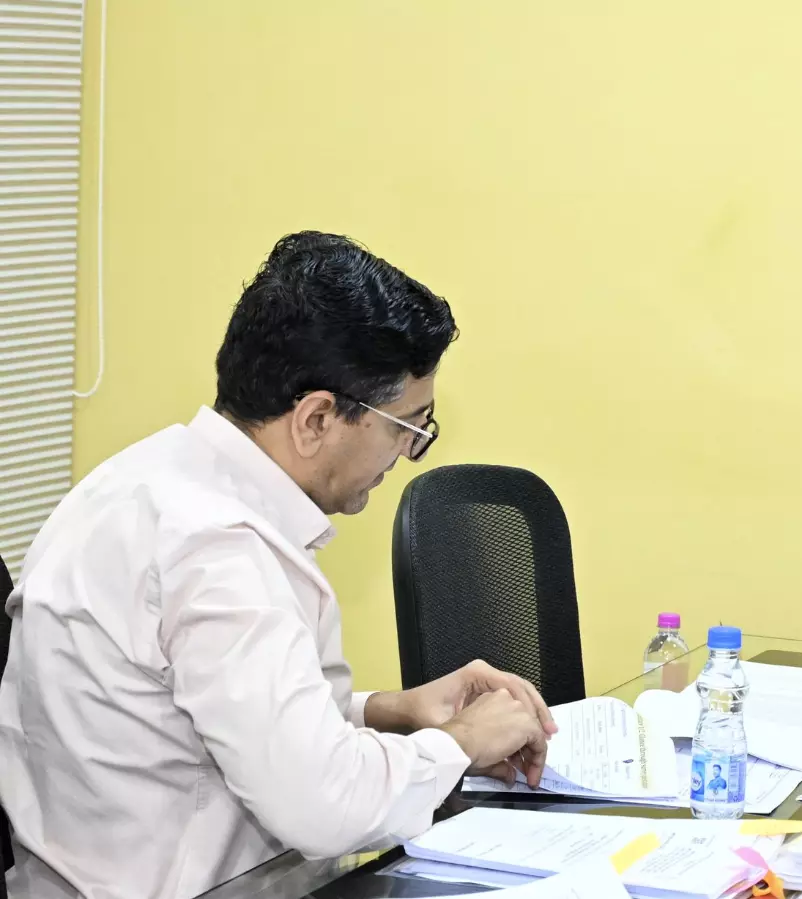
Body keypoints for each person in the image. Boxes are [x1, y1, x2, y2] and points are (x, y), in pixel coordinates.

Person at [0, 232, 559, 899]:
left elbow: (219, 714)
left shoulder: (142, 480)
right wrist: (461, 742)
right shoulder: (215, 549)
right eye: (406, 428)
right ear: (316, 419)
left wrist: (393, 710)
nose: (405, 455)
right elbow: (324, 805)